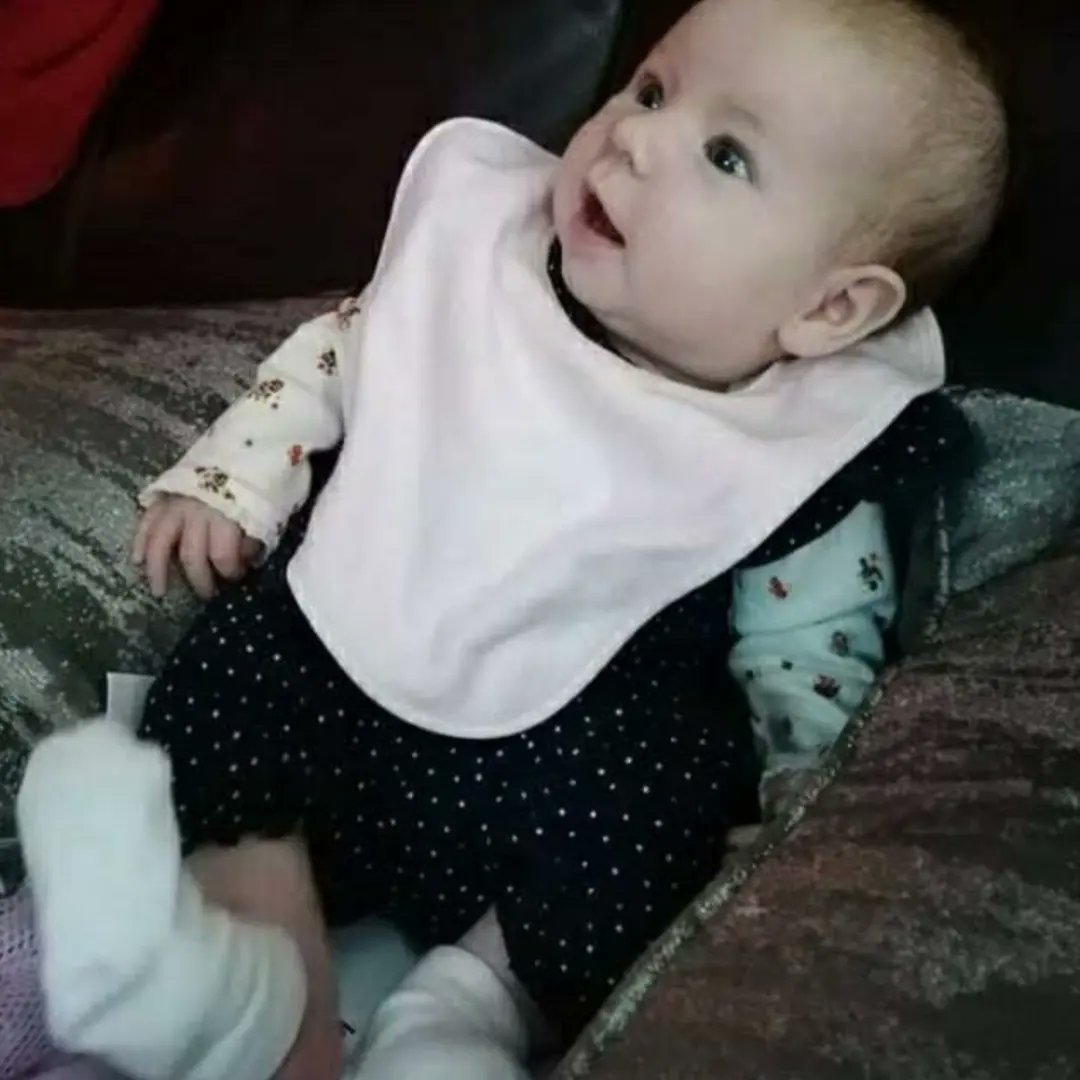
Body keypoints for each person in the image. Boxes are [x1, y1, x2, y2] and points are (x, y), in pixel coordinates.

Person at [7, 0, 1008, 1077]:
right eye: (651, 89)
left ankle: (464, 1012)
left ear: (832, 309)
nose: (635, 136)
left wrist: (799, 794)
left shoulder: (800, 449)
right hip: (335, 672)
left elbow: (811, 644)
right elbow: (340, 354)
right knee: (233, 683)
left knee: (668, 822)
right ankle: (251, 973)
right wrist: (233, 480)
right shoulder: (483, 263)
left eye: (725, 154)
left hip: (579, 763)